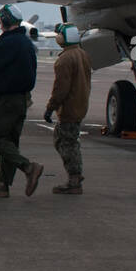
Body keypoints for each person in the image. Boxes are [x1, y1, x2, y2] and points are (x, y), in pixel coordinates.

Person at [0, 3, 43, 197]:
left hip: (8, 99)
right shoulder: (26, 43)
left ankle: (28, 167)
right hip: (23, 99)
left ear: (6, 20)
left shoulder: (9, 42)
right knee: (10, 141)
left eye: (1, 20)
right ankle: (3, 184)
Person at [44, 24, 93, 194]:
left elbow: (60, 89)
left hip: (69, 108)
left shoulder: (65, 59)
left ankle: (74, 179)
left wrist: (51, 107)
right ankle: (75, 176)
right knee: (65, 140)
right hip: (80, 104)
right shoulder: (82, 54)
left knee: (66, 143)